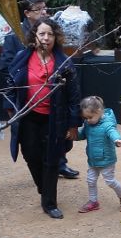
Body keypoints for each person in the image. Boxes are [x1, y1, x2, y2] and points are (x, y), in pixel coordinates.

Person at [6, 18, 82, 219]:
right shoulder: (22, 57)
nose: (46, 38)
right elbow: (10, 85)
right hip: (28, 116)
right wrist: (10, 108)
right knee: (31, 155)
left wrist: (73, 124)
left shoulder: (64, 62)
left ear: (56, 37)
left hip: (55, 119)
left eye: (50, 34)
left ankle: (49, 202)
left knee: (51, 159)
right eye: (42, 34)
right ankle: (44, 187)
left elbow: (74, 96)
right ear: (34, 36)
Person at [2, 0, 77, 180]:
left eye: (45, 8)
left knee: (56, 132)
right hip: (28, 98)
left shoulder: (51, 33)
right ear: (27, 13)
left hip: (52, 98)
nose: (44, 11)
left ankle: (59, 163)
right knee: (31, 145)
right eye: (38, 9)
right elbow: (5, 66)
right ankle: (44, 173)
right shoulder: (14, 35)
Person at [76, 96, 121, 214]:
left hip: (106, 159)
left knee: (110, 181)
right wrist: (74, 135)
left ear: (99, 112)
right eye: (85, 117)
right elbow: (82, 134)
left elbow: (112, 132)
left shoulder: (107, 124)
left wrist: (117, 140)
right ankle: (93, 202)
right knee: (90, 180)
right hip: (93, 159)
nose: (88, 120)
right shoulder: (88, 124)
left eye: (90, 117)